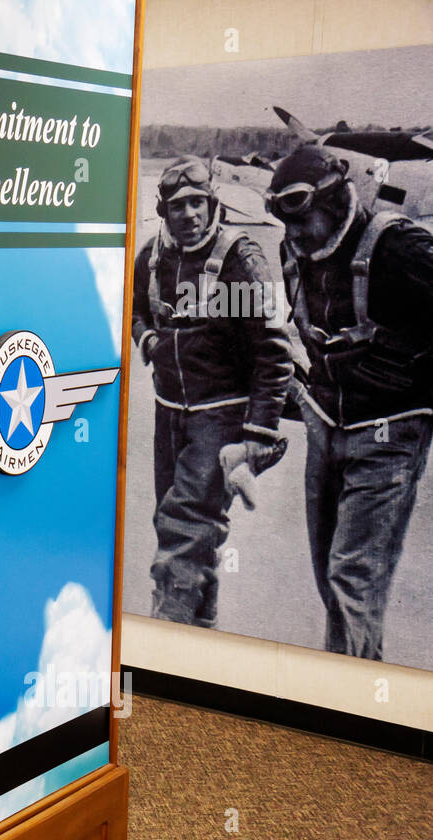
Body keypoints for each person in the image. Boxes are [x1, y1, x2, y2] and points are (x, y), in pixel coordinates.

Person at [265, 144, 433, 660]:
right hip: (326, 425)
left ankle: (339, 707)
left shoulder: (397, 247)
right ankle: (365, 686)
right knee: (332, 581)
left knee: (351, 578)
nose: (293, 235)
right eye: (285, 224)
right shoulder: (292, 251)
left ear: (337, 202)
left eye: (302, 219)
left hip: (390, 432)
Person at [131, 155, 293, 627]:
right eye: (178, 206)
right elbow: (135, 306)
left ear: (212, 203)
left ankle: (166, 646)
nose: (189, 214)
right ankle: (199, 644)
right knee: (183, 530)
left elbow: (272, 350)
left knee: (183, 533)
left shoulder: (242, 259)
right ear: (165, 212)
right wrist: (148, 339)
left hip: (219, 417)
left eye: (198, 203)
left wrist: (257, 436)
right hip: (169, 411)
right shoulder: (154, 256)